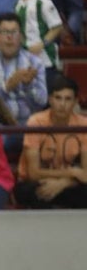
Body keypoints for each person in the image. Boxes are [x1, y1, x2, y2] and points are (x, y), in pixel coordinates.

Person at [0, 11, 47, 145]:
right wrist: (6, 87)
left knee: (39, 139)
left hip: (26, 125)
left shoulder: (35, 63)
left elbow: (42, 102)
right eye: (5, 32)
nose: (10, 37)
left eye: (15, 32)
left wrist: (29, 86)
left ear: (21, 37)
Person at [14, 74, 87, 209]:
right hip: (35, 182)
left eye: (68, 99)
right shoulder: (35, 122)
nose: (62, 104)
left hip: (68, 184)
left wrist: (64, 182)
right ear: (50, 99)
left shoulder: (83, 125)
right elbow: (33, 173)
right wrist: (72, 173)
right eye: (58, 98)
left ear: (76, 101)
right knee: (34, 192)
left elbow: (85, 174)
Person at [13, 0, 62, 80]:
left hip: (44, 60)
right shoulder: (18, 3)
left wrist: (42, 44)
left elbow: (57, 26)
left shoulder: (42, 2)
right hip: (25, 60)